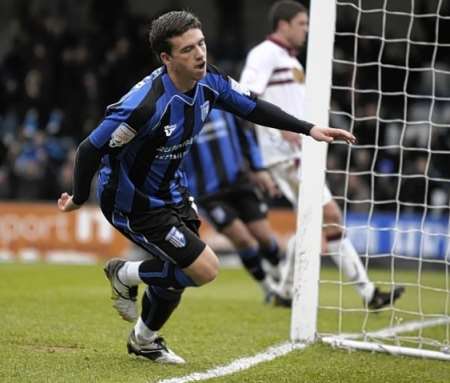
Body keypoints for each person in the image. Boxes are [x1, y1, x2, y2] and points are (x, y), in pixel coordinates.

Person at [57, 10, 355, 364]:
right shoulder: (144, 105)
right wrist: (78, 197)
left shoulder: (210, 81)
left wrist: (309, 129)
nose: (200, 54)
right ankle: (123, 273)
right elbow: (90, 148)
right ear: (167, 58)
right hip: (132, 200)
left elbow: (253, 107)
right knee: (203, 268)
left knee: (176, 275)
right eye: (188, 50)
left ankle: (144, 339)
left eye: (201, 44)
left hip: (174, 191)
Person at [239, 0, 404, 308]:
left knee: (316, 219)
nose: (307, 29)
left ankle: (286, 292)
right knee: (327, 216)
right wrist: (279, 131)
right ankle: (367, 294)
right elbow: (247, 99)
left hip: (299, 154)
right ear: (283, 24)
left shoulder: (292, 62)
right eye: (302, 23)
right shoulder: (263, 54)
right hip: (283, 156)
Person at [182, 108, 282, 299]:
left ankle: (280, 277)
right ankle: (268, 287)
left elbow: (246, 138)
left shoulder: (224, 107)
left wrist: (259, 168)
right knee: (243, 239)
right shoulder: (180, 116)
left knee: (264, 236)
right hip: (208, 194)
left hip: (239, 183)